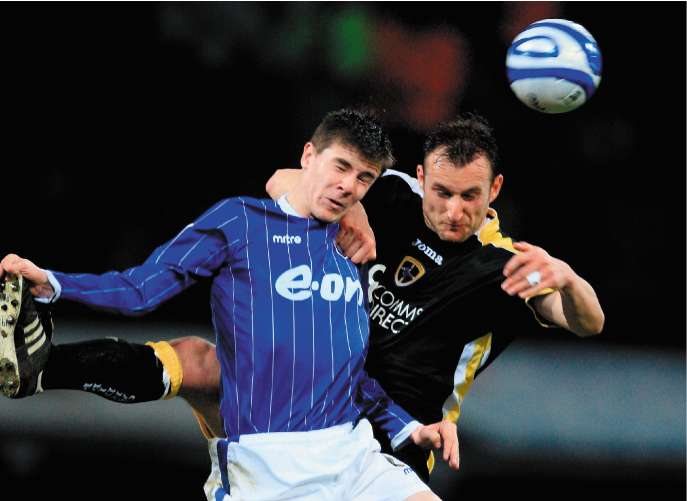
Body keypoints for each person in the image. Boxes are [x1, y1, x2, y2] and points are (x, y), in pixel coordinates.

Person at [2, 113, 604, 484]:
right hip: (314, 395)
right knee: (203, 359)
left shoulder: (509, 264)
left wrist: (570, 280)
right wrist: (359, 207)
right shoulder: (387, 194)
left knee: (206, 368)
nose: (453, 211)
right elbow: (286, 183)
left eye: (470, 197)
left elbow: (584, 322)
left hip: (391, 435)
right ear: (420, 177)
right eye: (441, 192)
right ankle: (31, 369)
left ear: (495, 188)